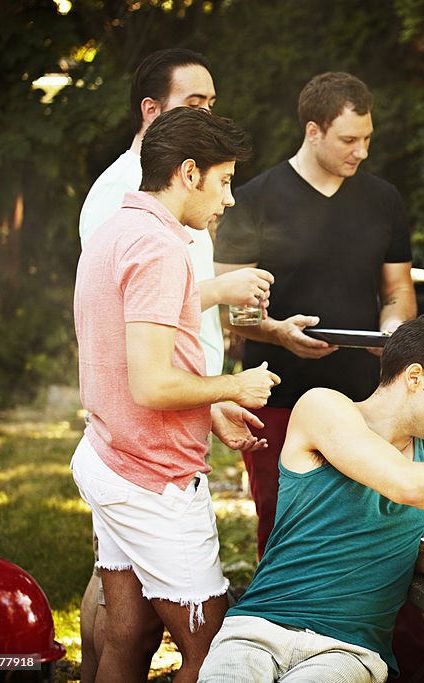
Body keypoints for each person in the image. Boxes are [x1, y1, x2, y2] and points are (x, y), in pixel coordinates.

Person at [197, 317, 424, 683]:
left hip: (346, 648)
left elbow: (370, 521)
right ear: (414, 378)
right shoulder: (322, 407)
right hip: (260, 628)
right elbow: (405, 485)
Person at [75, 47, 275, 683]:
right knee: (211, 649)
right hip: (152, 475)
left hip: (110, 453)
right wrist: (234, 385)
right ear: (189, 173)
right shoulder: (161, 247)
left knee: (129, 631)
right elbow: (152, 380)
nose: (230, 200)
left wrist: (210, 407)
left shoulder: (124, 226)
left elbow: (135, 354)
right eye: (223, 182)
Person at [214, 71, 417, 558]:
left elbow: (398, 290)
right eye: (350, 139)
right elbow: (228, 313)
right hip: (278, 399)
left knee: (374, 532)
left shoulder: (382, 199)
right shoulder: (253, 201)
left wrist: (393, 332)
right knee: (284, 532)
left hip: (367, 401)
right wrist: (277, 333)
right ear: (313, 131)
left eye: (368, 138)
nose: (361, 151)